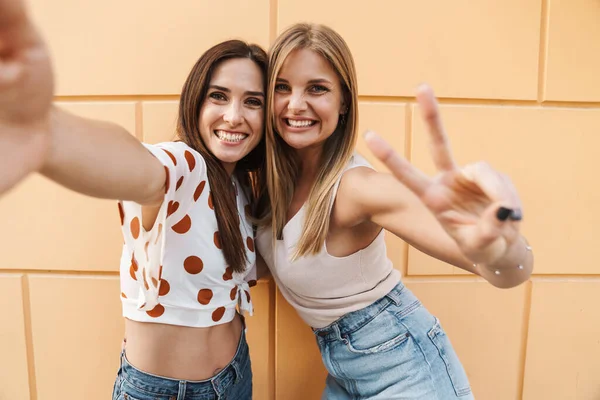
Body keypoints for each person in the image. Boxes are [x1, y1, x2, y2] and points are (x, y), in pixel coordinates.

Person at [0, 1, 266, 398]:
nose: (234, 116)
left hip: (234, 375)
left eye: (252, 101)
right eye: (219, 96)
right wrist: (48, 134)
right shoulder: (185, 166)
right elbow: (136, 166)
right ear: (195, 102)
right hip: (163, 391)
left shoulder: (242, 189)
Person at [256, 22, 534, 399]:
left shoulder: (358, 188)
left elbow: (506, 273)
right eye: (281, 88)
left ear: (344, 103)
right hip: (344, 370)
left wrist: (500, 247)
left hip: (405, 367)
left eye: (317, 88)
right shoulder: (273, 186)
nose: (295, 104)